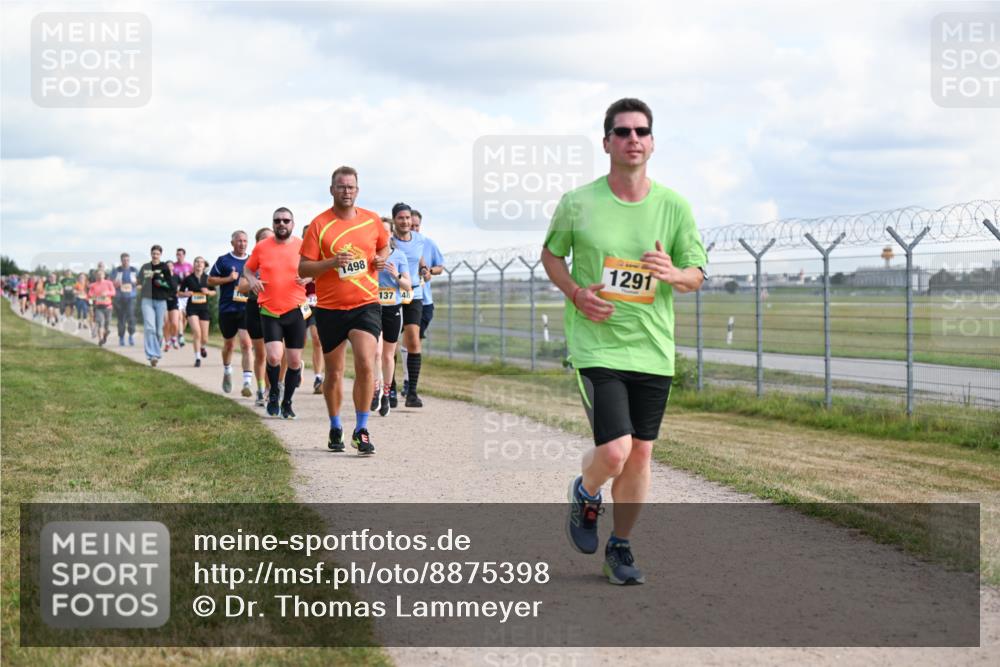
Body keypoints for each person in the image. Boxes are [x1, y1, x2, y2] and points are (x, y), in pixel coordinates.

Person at [541, 98, 707, 586]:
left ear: (652, 142)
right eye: (623, 131)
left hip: (653, 350)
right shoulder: (579, 202)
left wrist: (673, 272)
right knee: (614, 450)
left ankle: (620, 546)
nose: (633, 139)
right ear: (607, 141)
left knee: (640, 455)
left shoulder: (674, 206)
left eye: (641, 131)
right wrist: (575, 292)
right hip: (597, 345)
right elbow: (551, 257)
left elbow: (696, 274)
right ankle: (587, 491)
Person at [299, 165, 389, 455]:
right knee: (334, 373)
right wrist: (331, 263)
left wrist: (378, 259)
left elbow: (384, 248)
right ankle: (335, 425)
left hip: (365, 304)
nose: (346, 191)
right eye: (341, 186)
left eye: (351, 187)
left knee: (365, 362)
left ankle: (361, 429)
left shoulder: (372, 221)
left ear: (357, 190)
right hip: (329, 308)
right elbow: (303, 267)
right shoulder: (319, 225)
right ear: (332, 190)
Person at [244, 207, 309, 419]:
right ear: (273, 224)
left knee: (293, 362)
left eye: (286, 221)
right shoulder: (262, 247)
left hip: (296, 310)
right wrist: (252, 280)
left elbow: (317, 268)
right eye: (278, 221)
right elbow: (248, 269)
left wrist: (310, 278)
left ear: (293, 223)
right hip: (269, 309)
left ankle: (287, 402)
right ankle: (273, 393)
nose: (282, 224)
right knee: (273, 357)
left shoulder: (302, 245)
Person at [390, 203, 431, 407]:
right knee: (391, 343)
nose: (405, 222)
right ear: (394, 221)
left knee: (413, 340)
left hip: (414, 293)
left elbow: (420, 258)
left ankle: (412, 392)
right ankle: (390, 388)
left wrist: (424, 269)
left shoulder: (420, 239)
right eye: (401, 218)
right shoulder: (390, 242)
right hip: (392, 294)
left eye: (407, 218)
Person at [373, 218, 411, 417]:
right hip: (371, 308)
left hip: (392, 309)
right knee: (375, 353)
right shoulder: (370, 256)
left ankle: (387, 393)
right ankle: (375, 388)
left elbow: (407, 284)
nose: (382, 235)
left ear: (390, 234)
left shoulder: (400, 256)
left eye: (385, 231)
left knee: (388, 355)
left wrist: (396, 275)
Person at [208, 231, 254, 396]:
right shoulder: (223, 260)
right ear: (232, 243)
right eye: (239, 241)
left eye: (245, 241)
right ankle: (227, 371)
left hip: (245, 309)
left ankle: (247, 382)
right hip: (227, 309)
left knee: (246, 344)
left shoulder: (253, 260)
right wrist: (228, 279)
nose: (242, 244)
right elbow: (210, 280)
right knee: (229, 345)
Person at [241, 227, 275, 405]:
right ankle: (262, 389)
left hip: (278, 308)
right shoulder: (252, 262)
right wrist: (254, 282)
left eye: (271, 238)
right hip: (255, 308)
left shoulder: (283, 259)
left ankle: (274, 388)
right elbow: (241, 287)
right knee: (261, 354)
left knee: (276, 354)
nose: (268, 242)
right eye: (263, 239)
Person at [138, 245, 173, 366]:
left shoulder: (164, 267)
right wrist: (138, 285)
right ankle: (152, 355)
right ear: (150, 254)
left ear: (160, 255)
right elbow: (138, 281)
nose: (155, 255)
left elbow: (170, 284)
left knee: (158, 331)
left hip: (161, 300)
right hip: (146, 299)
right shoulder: (145, 267)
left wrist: (160, 282)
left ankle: (155, 352)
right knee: (149, 328)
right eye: (153, 253)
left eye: (157, 254)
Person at [180, 256, 215, 367]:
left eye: (201, 262)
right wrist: (185, 294)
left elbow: (214, 292)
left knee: (204, 338)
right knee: (197, 332)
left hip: (204, 309)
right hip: (192, 308)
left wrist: (208, 292)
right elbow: (179, 293)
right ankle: (198, 358)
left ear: (204, 265)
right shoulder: (188, 278)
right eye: (197, 262)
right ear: (194, 264)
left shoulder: (208, 278)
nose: (199, 264)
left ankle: (203, 347)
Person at [111, 253, 139, 346]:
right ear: (121, 260)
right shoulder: (116, 270)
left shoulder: (133, 270)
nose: (126, 261)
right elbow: (111, 283)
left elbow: (140, 282)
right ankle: (121, 337)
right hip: (119, 298)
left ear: (129, 260)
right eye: (124, 260)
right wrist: (116, 284)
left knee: (131, 317)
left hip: (131, 297)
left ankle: (131, 336)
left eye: (127, 260)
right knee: (121, 319)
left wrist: (136, 283)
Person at [88, 268, 115, 346]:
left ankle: (105, 335)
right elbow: (90, 295)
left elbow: (113, 292)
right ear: (95, 276)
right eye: (98, 274)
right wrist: (96, 296)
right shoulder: (93, 285)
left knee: (107, 325)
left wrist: (107, 293)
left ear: (104, 275)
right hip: (99, 307)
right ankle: (100, 340)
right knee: (100, 323)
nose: (100, 276)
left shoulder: (109, 283)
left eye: (101, 274)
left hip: (108, 307)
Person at [173, 248, 193, 347]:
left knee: (185, 317)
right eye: (177, 254)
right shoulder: (173, 266)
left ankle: (181, 334)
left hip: (187, 293)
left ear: (184, 255)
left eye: (180, 254)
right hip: (178, 293)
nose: (178, 256)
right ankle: (180, 335)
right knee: (179, 316)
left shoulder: (189, 266)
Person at [163, 260, 182, 352]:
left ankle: (174, 338)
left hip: (174, 301)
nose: (169, 267)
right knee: (166, 323)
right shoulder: (162, 277)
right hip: (164, 301)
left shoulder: (176, 277)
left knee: (175, 323)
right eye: (167, 266)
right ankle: (167, 343)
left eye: (171, 265)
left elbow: (182, 286)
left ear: (173, 267)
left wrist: (179, 292)